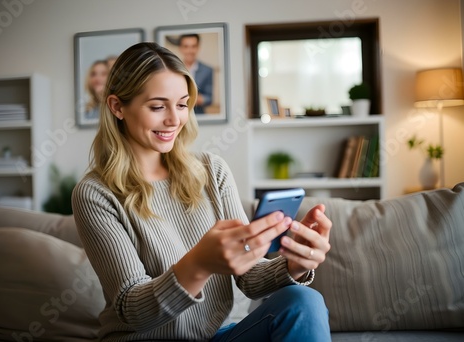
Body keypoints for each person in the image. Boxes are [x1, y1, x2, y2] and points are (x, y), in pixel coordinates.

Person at [72, 42, 332, 341]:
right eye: (157, 106)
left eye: (182, 104)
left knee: (305, 301)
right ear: (117, 107)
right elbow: (132, 309)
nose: (174, 119)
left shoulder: (211, 170)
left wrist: (295, 265)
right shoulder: (94, 193)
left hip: (218, 336)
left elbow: (249, 276)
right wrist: (198, 264)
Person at [178, 33, 213, 114]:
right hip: (179, 116)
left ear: (198, 47)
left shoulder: (207, 70)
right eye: (186, 46)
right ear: (180, 48)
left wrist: (193, 99)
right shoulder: (173, 70)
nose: (190, 51)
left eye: (193, 46)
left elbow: (209, 99)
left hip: (199, 116)